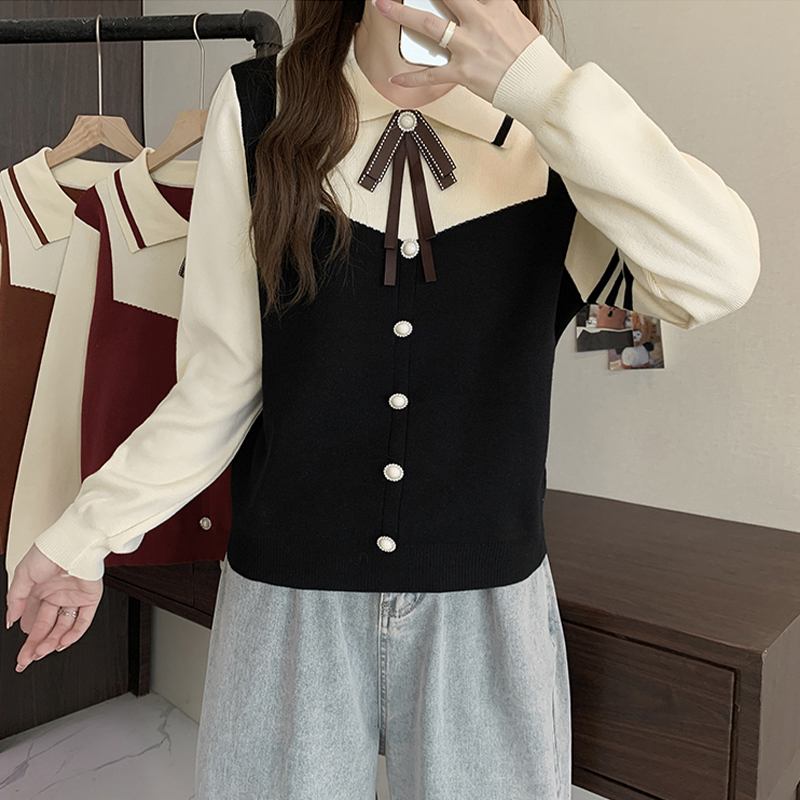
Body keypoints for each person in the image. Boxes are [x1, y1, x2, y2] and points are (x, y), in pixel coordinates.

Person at [5, 1, 761, 798]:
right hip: (287, 602)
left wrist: (542, 87)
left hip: (486, 605)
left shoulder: (559, 135)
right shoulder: (261, 107)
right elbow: (221, 383)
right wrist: (85, 536)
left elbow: (717, 276)